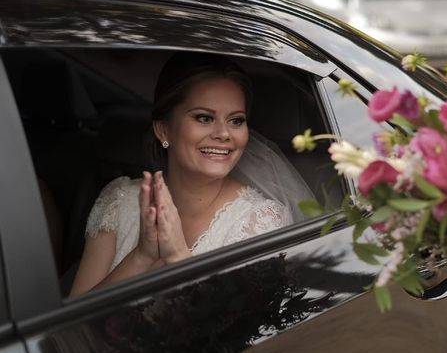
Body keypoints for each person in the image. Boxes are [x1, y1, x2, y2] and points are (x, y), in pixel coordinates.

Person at [71, 52, 313, 296]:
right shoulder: (119, 200)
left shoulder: (259, 223)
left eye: (236, 120)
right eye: (204, 118)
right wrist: (141, 258)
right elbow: (70, 327)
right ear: (163, 129)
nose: (224, 133)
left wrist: (179, 258)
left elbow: (247, 332)